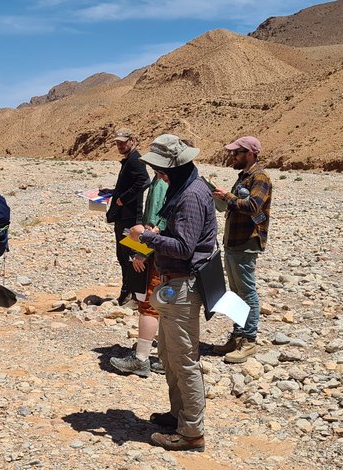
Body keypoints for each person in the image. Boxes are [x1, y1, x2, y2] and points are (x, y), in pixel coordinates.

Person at [127, 134, 216, 452]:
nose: (159, 173)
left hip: (183, 284)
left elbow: (183, 247)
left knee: (183, 358)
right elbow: (180, 236)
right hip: (174, 283)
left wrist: (147, 239)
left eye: (161, 168)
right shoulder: (185, 186)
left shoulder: (190, 195)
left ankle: (192, 432)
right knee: (168, 353)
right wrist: (159, 233)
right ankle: (180, 415)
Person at [209, 136, 271, 364]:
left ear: (250, 154)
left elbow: (254, 205)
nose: (233, 157)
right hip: (234, 241)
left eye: (237, 153)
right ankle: (237, 336)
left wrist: (228, 196)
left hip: (246, 241)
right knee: (235, 292)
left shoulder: (260, 177)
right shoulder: (244, 177)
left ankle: (249, 340)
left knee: (247, 292)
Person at [109, 169, 168, 377]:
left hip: (155, 252)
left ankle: (141, 358)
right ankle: (165, 358)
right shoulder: (183, 183)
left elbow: (155, 224)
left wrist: (141, 252)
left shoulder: (161, 183)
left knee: (149, 305)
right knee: (166, 308)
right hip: (168, 253)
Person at [106, 128, 151, 305]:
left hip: (130, 217)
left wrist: (122, 199)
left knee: (130, 255)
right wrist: (112, 193)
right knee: (123, 255)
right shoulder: (128, 160)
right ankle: (127, 291)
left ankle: (133, 294)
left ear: (132, 140)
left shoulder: (135, 160)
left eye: (123, 142)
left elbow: (144, 181)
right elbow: (131, 183)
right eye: (117, 143)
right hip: (123, 216)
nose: (120, 145)